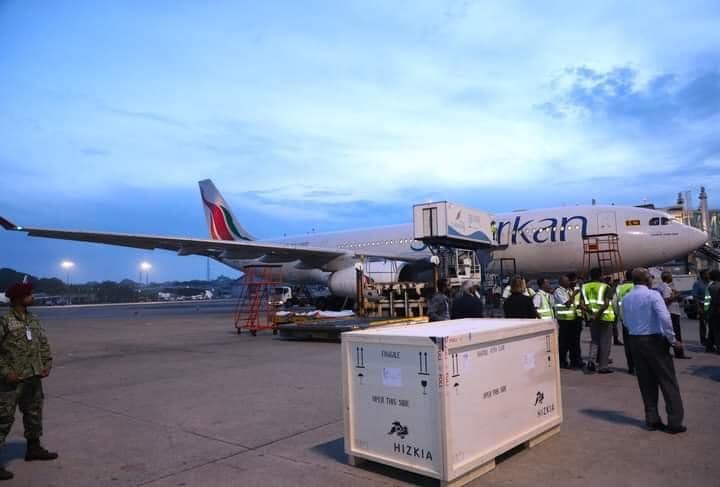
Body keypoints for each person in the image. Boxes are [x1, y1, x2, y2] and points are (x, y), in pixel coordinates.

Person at [0, 282, 58, 481]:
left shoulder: (33, 319)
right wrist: (5, 372)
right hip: (11, 380)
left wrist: (46, 363)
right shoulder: (5, 321)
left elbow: (42, 343)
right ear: (18, 298)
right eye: (29, 294)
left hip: (33, 376)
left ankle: (34, 449)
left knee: (34, 413)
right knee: (3, 419)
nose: (32, 297)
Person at [622, 268, 686, 434]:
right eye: (650, 277)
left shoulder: (627, 298)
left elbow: (625, 321)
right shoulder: (653, 295)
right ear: (646, 279)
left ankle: (652, 419)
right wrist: (673, 340)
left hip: (635, 340)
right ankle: (674, 422)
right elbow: (665, 318)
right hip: (654, 340)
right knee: (667, 380)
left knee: (646, 382)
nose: (652, 279)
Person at [581, 268, 615, 374]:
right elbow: (606, 304)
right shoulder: (606, 287)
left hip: (592, 318)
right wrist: (598, 314)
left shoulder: (584, 287)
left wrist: (592, 313)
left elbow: (582, 305)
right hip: (605, 317)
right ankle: (603, 366)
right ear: (600, 276)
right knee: (605, 342)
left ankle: (591, 362)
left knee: (594, 340)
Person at [655, 272, 690, 359]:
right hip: (672, 312)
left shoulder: (662, 286)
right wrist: (676, 295)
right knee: (676, 334)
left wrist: (677, 295)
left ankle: (666, 352)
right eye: (670, 276)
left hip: (670, 312)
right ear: (667, 278)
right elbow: (666, 300)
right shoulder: (666, 288)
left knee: (667, 333)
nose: (672, 277)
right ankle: (679, 353)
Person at [554, 275, 583, 369]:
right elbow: (567, 303)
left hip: (573, 319)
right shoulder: (559, 291)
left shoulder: (569, 290)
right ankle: (562, 361)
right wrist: (574, 294)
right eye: (566, 281)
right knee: (563, 342)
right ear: (561, 282)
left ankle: (575, 360)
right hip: (564, 320)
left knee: (574, 342)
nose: (569, 282)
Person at [614, 270, 636, 374]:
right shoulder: (636, 287)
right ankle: (640, 366)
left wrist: (618, 315)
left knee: (628, 344)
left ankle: (631, 367)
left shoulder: (619, 288)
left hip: (625, 319)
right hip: (638, 319)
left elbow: (614, 302)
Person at [692, 270, 710, 349]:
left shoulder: (710, 283)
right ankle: (703, 340)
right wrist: (698, 307)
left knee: (711, 324)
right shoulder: (697, 284)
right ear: (703, 275)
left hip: (710, 305)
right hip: (702, 305)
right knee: (703, 324)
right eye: (707, 274)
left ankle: (710, 339)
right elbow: (695, 296)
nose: (708, 275)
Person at [707, 269, 720, 354]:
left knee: (713, 329)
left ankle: (709, 347)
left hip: (712, 311)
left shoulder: (710, 287)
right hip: (717, 310)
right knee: (717, 330)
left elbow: (707, 301)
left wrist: (706, 312)